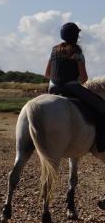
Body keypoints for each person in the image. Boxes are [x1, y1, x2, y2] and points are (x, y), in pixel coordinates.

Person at [45, 22, 105, 151]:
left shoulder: (54, 51)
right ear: (76, 36)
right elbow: (84, 79)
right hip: (71, 88)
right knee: (101, 106)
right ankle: (100, 143)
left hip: (53, 88)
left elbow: (47, 74)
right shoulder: (77, 53)